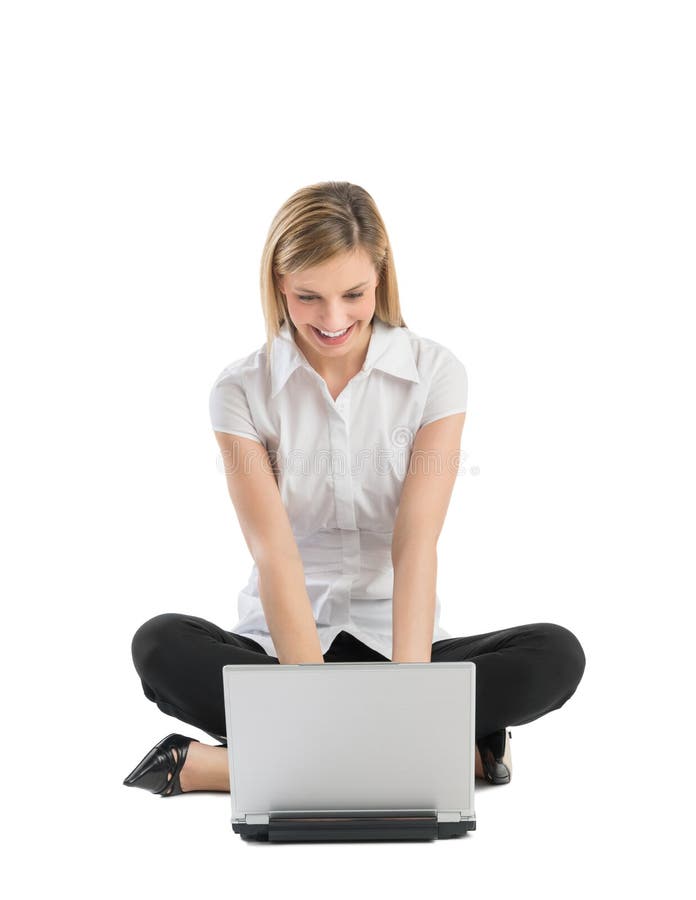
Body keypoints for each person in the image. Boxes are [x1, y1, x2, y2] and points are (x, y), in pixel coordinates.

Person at [123, 181, 586, 797]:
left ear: (381, 277)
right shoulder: (239, 391)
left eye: (354, 294)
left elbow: (416, 542)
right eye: (308, 296)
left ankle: (232, 766)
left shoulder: (435, 375)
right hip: (282, 655)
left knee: (555, 655)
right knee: (159, 645)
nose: (333, 319)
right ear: (278, 285)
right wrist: (311, 695)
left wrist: (412, 693)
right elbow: (275, 553)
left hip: (404, 654)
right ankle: (435, 752)